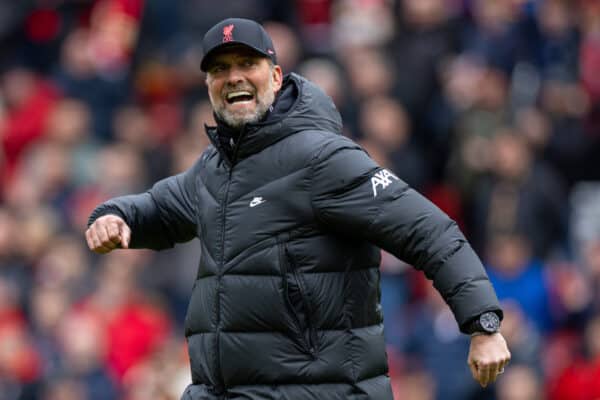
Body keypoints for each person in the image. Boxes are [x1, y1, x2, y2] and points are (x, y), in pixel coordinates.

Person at [85, 18, 511, 400]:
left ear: (274, 75)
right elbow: (156, 208)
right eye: (220, 69)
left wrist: (482, 324)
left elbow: (428, 228)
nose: (234, 78)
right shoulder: (212, 170)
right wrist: (113, 215)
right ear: (208, 86)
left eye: (246, 65)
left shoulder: (323, 159)